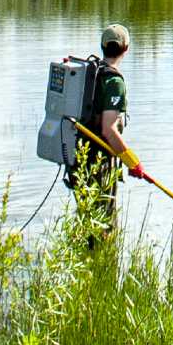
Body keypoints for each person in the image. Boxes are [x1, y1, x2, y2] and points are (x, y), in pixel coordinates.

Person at [69, 23, 150, 232]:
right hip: (98, 162)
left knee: (86, 220)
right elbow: (108, 129)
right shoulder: (114, 82)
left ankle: (88, 260)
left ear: (102, 46)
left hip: (78, 158)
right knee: (103, 227)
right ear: (126, 49)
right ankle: (102, 261)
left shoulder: (89, 72)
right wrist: (133, 163)